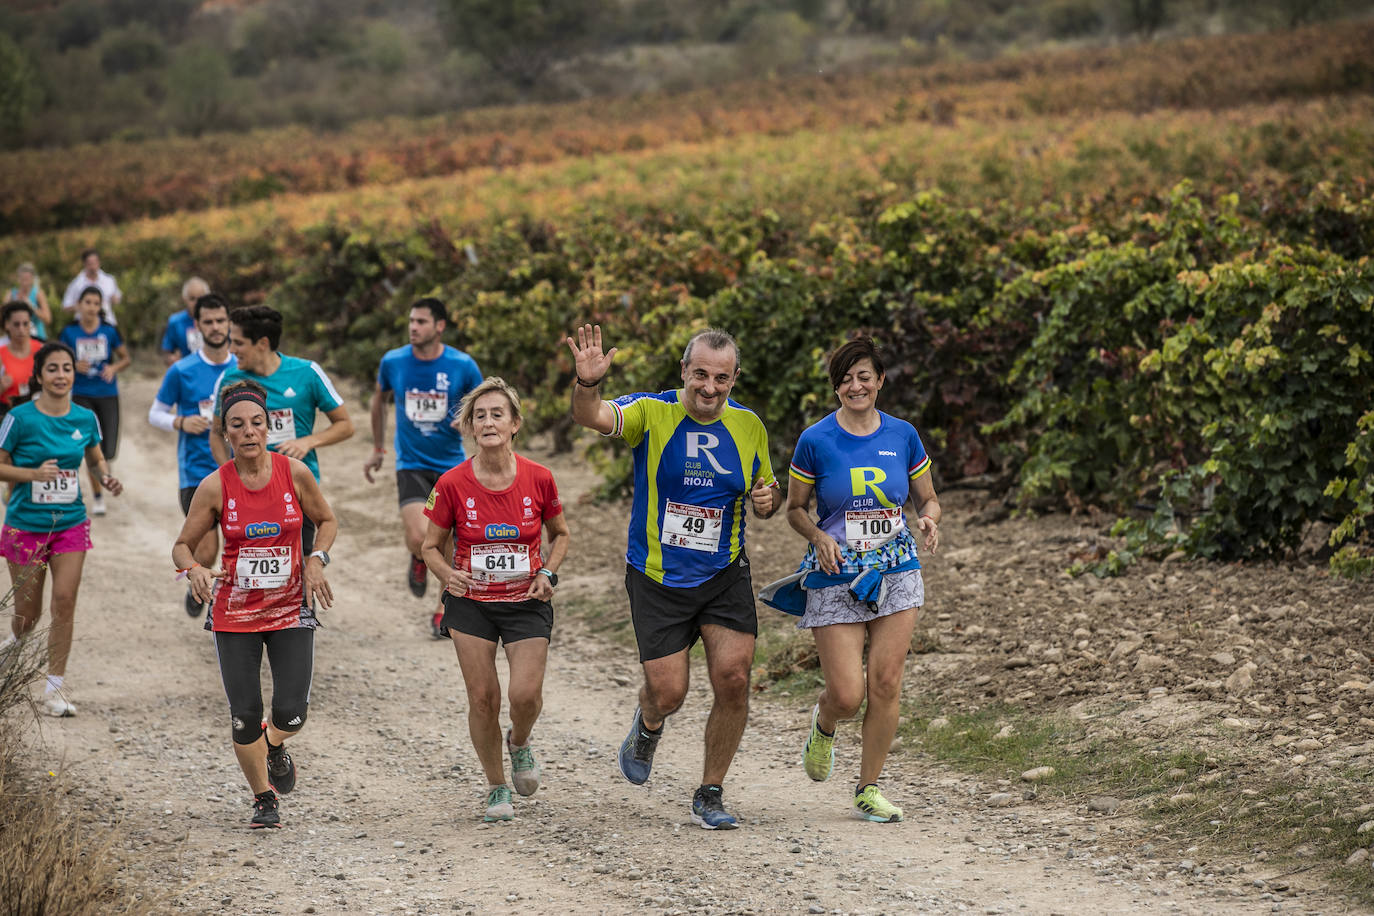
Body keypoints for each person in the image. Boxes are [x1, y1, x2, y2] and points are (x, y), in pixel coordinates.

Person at [566, 324, 780, 830]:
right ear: (684, 370)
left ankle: (710, 792)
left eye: (721, 378)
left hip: (724, 573)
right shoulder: (652, 412)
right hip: (657, 577)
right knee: (669, 693)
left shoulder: (750, 426)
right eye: (700, 374)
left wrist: (768, 502)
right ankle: (649, 722)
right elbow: (591, 416)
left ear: (735, 379)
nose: (709, 387)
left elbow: (764, 491)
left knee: (733, 679)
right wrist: (588, 383)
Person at [761, 336, 940, 824]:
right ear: (836, 386)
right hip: (836, 572)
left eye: (864, 376)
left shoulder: (903, 435)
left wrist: (928, 518)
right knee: (847, 694)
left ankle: (868, 788)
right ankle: (824, 724)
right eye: (845, 378)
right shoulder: (815, 439)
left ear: (880, 380)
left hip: (896, 568)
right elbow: (795, 509)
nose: (854, 385)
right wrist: (819, 536)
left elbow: (927, 498)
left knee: (886, 682)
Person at [173, 379, 337, 829]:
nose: (248, 432)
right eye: (237, 425)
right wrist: (195, 570)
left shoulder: (295, 474)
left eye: (257, 423)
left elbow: (325, 520)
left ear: (270, 427)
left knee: (291, 711)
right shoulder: (213, 486)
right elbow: (182, 546)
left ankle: (276, 745)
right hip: (234, 612)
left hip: (290, 607)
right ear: (226, 434)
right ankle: (263, 797)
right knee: (244, 717)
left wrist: (316, 559)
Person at [420, 377, 569, 822]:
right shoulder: (450, 483)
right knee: (482, 696)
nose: (488, 422)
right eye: (479, 415)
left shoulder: (540, 478)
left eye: (497, 414)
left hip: (526, 600)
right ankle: (496, 786)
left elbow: (560, 535)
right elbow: (430, 546)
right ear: (469, 427)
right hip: (472, 605)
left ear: (515, 423)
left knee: (525, 694)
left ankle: (519, 742)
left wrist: (548, 573)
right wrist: (449, 576)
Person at [0, 341, 123, 717]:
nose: (60, 375)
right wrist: (31, 475)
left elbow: (95, 455)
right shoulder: (19, 418)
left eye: (67, 368)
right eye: (52, 369)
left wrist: (106, 476)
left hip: (70, 522)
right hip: (25, 526)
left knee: (65, 601)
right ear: (39, 376)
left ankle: (54, 691)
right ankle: (9, 649)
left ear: (74, 373)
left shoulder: (85, 418)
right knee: (27, 614)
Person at [363, 298, 482, 639]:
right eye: (411, 321)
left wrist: (468, 421)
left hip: (451, 467)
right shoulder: (394, 361)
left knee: (450, 540)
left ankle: (444, 607)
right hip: (411, 463)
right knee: (420, 537)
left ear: (439, 326)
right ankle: (419, 557)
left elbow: (482, 405)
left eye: (421, 322)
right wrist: (378, 448)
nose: (413, 327)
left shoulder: (462, 364)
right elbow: (379, 400)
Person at [211, 305, 353, 559]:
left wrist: (308, 441)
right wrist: (230, 478)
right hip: (248, 492)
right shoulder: (230, 380)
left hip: (297, 489)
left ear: (262, 343)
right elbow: (215, 433)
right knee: (250, 566)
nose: (231, 350)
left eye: (238, 343)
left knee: (302, 567)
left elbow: (345, 425)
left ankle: (304, 601)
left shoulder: (306, 373)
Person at [149, 293, 236, 617]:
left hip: (243, 473)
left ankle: (236, 606)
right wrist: (181, 421)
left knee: (243, 544)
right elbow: (154, 413)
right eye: (208, 322)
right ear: (197, 326)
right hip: (197, 473)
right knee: (209, 549)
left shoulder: (243, 367)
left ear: (229, 323)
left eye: (221, 321)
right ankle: (196, 582)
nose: (215, 327)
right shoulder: (182, 370)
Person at [58, 286, 129, 517]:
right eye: (87, 302)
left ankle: (103, 470)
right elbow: (58, 359)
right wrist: (73, 363)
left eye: (95, 303)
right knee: (91, 445)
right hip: (81, 394)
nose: (91, 307)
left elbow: (126, 358)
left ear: (101, 307)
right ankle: (98, 497)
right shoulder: (69, 332)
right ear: (79, 305)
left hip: (107, 393)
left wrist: (114, 367)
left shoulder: (109, 331)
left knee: (108, 451)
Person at [0, 301, 42, 417]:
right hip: (7, 414)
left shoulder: (42, 351)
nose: (21, 329)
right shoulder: (1, 354)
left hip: (36, 414)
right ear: (7, 325)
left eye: (25, 324)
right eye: (16, 324)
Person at [60, 249, 120, 326]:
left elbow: (117, 298)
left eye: (95, 262)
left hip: (107, 323)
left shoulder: (109, 280)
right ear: (84, 263)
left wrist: (114, 299)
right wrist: (80, 307)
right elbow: (65, 306)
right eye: (90, 263)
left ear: (99, 262)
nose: (93, 266)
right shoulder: (76, 284)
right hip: (82, 326)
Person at [160, 276, 211, 365]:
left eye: (200, 298)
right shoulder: (175, 321)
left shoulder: (218, 320)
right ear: (185, 299)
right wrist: (171, 359)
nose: (196, 303)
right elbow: (166, 352)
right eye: (192, 299)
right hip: (186, 372)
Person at [7, 263, 53, 340]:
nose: (25, 282)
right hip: (16, 338)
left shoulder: (38, 294)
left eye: (27, 279)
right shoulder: (11, 294)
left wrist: (31, 306)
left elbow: (48, 319)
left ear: (32, 279)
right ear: (18, 279)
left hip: (37, 337)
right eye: (22, 279)